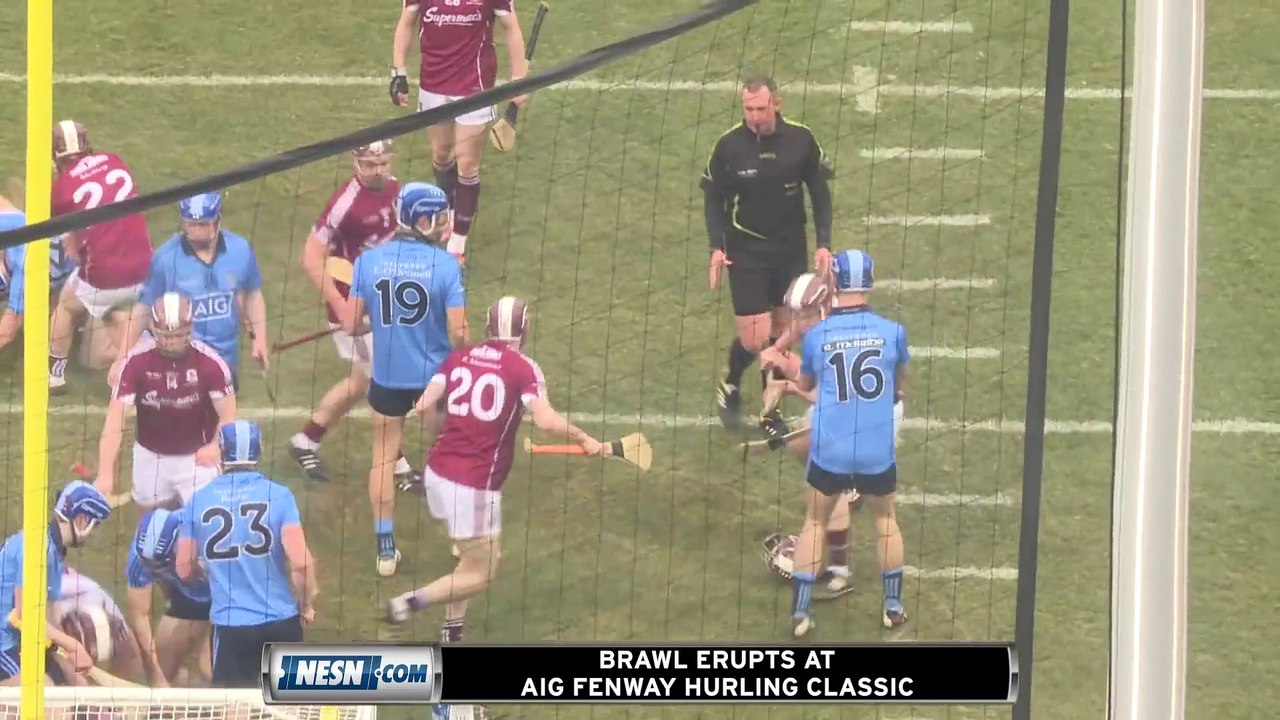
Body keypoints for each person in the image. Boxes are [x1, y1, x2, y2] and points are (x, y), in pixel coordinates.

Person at [384, 297, 603, 647]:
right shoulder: (523, 368)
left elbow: (424, 405)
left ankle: (452, 630)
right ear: (525, 330)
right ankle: (409, 603)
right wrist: (585, 438)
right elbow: (545, 420)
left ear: (487, 327)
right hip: (474, 485)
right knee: (484, 572)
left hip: (436, 473)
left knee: (473, 558)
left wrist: (438, 431)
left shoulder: (459, 358)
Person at [760, 249, 910, 637]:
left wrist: (789, 386)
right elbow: (897, 390)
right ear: (870, 283)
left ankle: (801, 614)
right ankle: (892, 607)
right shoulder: (893, 332)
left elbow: (809, 386)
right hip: (876, 443)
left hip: (833, 444)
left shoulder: (819, 338)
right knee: (886, 521)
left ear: (836, 285)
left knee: (814, 521)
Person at [342, 181, 468, 577]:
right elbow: (460, 332)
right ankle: (457, 534)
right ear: (424, 219)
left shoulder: (368, 262)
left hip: (388, 378)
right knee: (449, 453)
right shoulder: (445, 266)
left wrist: (374, 321)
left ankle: (384, 550)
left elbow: (350, 323)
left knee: (382, 458)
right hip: (435, 379)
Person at [701, 75, 834, 441]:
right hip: (745, 249)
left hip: (790, 248)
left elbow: (820, 194)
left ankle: (769, 410)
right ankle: (730, 381)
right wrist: (716, 246)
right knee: (754, 338)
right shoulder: (729, 146)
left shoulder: (801, 140)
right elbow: (713, 199)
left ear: (777, 103)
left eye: (760, 108)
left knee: (780, 334)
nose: (754, 116)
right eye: (748, 109)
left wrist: (823, 243)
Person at [289, 140, 421, 490]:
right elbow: (310, 258)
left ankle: (306, 440)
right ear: (354, 162)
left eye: (382, 162)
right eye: (369, 164)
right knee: (388, 383)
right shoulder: (344, 205)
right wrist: (343, 306)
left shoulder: (393, 187)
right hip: (351, 304)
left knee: (363, 380)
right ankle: (396, 464)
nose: (377, 170)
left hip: (381, 301)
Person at [175, 420, 318, 689]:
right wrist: (306, 603)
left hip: (231, 626)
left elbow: (183, 567)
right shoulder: (279, 496)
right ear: (258, 451)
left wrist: (206, 575)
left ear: (222, 451)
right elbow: (303, 564)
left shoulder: (200, 501)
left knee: (234, 709)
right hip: (281, 621)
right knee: (289, 705)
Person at [390, 0, 529, 266]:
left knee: (467, 162)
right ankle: (449, 212)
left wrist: (519, 79)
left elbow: (511, 27)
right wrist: (399, 72)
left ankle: (458, 241)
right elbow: (406, 22)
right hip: (433, 82)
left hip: (475, 86)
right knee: (441, 154)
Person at [95, 292, 237, 511]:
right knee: (149, 523)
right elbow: (115, 421)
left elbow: (228, 413)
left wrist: (215, 446)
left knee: (202, 521)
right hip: (150, 455)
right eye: (164, 335)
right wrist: (105, 473)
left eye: (178, 335)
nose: (171, 342)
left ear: (190, 329)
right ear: (153, 328)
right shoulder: (136, 363)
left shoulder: (211, 364)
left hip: (196, 458)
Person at [112, 192, 268, 390]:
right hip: (181, 363)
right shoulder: (165, 259)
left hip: (226, 363)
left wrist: (260, 340)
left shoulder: (240, 250)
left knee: (223, 418)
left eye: (203, 225)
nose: (196, 231)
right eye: (190, 225)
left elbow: (253, 294)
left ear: (218, 220)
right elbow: (143, 308)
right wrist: (122, 358)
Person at [48, 120, 153, 394]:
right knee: (112, 315)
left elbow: (71, 247)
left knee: (67, 306)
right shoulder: (113, 160)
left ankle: (54, 373)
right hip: (144, 265)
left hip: (104, 272)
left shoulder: (61, 188)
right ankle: (147, 364)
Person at [0, 481, 113, 686]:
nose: (96, 533)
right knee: (43, 689)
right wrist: (73, 645)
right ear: (80, 520)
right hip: (4, 642)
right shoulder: (36, 549)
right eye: (95, 525)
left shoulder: (54, 552)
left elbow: (46, 615)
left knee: (78, 683)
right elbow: (24, 616)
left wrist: (64, 650)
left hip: (21, 640)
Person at [124, 507, 213, 687]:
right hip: (188, 596)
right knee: (161, 671)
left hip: (230, 596)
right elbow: (140, 615)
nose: (159, 572)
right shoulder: (140, 556)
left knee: (210, 668)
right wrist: (155, 673)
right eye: (154, 567)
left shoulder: (210, 542)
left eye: (165, 564)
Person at [0, 192, 79, 355]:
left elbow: (6, 333)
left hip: (98, 270)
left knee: (93, 357)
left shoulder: (23, 278)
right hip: (79, 231)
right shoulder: (13, 223)